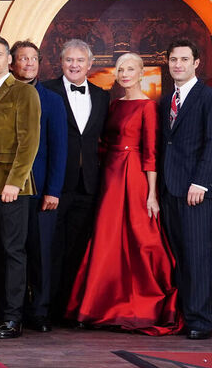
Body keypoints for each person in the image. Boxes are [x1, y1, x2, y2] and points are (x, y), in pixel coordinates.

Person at [65, 53, 181, 334]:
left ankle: (140, 306)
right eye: (120, 70)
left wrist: (152, 194)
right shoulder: (114, 104)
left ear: (141, 73)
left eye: (130, 69)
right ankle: (99, 307)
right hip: (110, 175)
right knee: (107, 238)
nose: (125, 74)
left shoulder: (148, 107)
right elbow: (102, 142)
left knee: (139, 238)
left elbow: (151, 152)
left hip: (135, 176)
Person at [158, 39, 212, 340]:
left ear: (196, 63)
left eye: (184, 59)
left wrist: (200, 182)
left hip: (196, 190)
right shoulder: (165, 101)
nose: (178, 65)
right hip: (169, 189)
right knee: (179, 257)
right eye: (174, 59)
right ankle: (184, 317)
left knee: (197, 256)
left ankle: (201, 321)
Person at [0, 35, 41, 340]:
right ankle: (1, 312)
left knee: (14, 251)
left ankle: (14, 317)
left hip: (12, 187)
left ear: (9, 60)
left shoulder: (24, 92)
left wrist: (15, 182)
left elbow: (29, 142)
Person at [42, 38, 109, 324]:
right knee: (50, 249)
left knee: (77, 251)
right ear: (61, 62)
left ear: (90, 64)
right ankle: (45, 310)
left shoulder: (102, 96)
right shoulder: (46, 90)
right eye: (69, 60)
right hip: (56, 185)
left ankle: (69, 310)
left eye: (80, 60)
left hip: (89, 185)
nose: (74, 65)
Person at [11, 40, 68, 333]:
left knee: (41, 253)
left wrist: (53, 190)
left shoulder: (53, 100)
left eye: (33, 58)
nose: (29, 63)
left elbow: (59, 149)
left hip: (41, 188)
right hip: (11, 189)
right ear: (13, 64)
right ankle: (15, 311)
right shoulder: (4, 96)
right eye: (23, 58)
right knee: (14, 252)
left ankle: (41, 312)